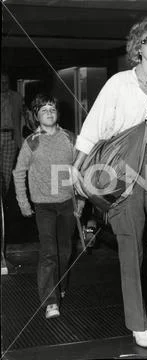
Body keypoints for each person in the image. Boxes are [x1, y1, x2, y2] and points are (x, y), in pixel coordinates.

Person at [73, 15, 147, 348]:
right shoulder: (119, 83)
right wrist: (77, 168)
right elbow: (94, 126)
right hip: (124, 170)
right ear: (137, 47)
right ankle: (137, 322)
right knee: (130, 247)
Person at [13, 94, 76, 319]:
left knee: (65, 252)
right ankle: (50, 301)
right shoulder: (32, 142)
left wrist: (82, 202)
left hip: (67, 203)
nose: (49, 112)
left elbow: (80, 169)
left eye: (52, 108)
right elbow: (19, 172)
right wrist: (23, 202)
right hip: (43, 205)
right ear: (36, 116)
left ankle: (59, 286)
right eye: (43, 110)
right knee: (49, 252)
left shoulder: (70, 138)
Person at [1, 72, 23, 196]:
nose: (3, 84)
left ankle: (3, 199)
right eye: (1, 82)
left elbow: (24, 118)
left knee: (7, 171)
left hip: (11, 136)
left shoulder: (16, 97)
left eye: (5, 82)